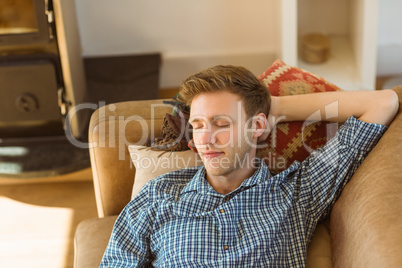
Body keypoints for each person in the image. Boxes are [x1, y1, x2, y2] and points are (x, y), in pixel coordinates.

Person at [100, 65, 398, 267]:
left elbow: (383, 103)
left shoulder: (298, 193)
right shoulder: (159, 194)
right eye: (198, 125)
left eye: (221, 123)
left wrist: (274, 109)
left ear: (257, 126)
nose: (206, 139)